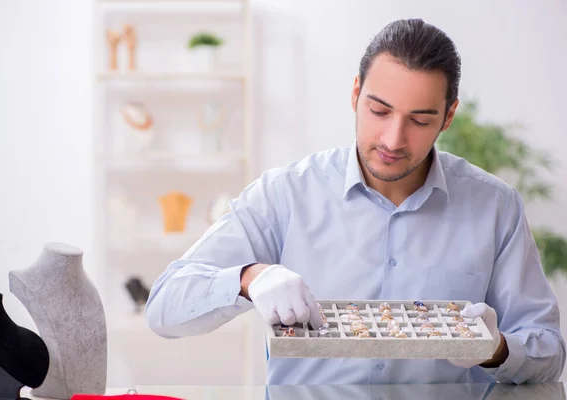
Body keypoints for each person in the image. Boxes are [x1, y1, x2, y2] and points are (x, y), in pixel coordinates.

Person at [145, 18, 565, 384]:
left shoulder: (495, 207)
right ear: (355, 95)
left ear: (448, 116)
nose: (393, 140)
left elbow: (548, 351)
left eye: (420, 120)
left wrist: (496, 349)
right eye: (379, 110)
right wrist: (248, 278)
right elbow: (164, 306)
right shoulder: (286, 193)